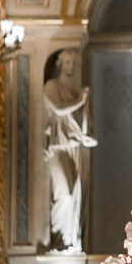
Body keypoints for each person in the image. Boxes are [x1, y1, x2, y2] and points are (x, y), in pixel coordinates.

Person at [44, 48, 97, 252]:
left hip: (74, 146)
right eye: (67, 63)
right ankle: (59, 239)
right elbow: (57, 108)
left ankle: (71, 240)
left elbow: (80, 119)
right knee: (64, 193)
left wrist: (84, 102)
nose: (71, 67)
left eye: (74, 63)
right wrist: (80, 101)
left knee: (76, 195)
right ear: (59, 64)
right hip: (57, 147)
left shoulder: (76, 90)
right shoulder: (52, 85)